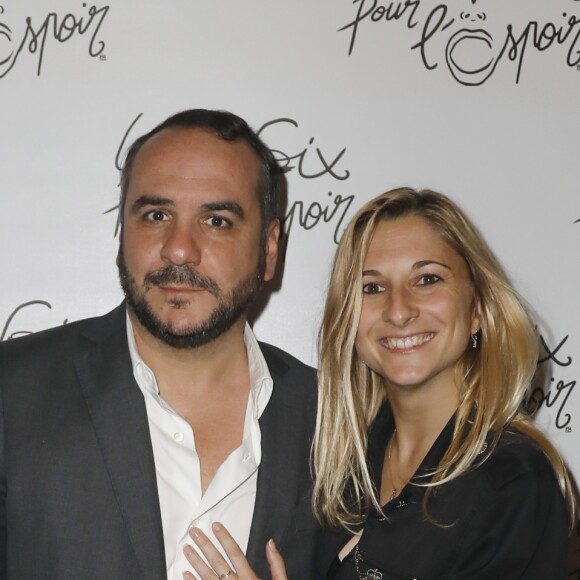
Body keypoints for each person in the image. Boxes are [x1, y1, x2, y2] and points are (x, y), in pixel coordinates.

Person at [182, 187, 575, 580]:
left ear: (477, 310)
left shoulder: (512, 481)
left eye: (427, 279)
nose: (398, 309)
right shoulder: (342, 466)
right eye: (371, 287)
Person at [0, 109, 319, 580]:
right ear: (121, 232)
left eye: (217, 220)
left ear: (269, 248)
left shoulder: (336, 420)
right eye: (156, 215)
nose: (179, 248)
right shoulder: (13, 392)